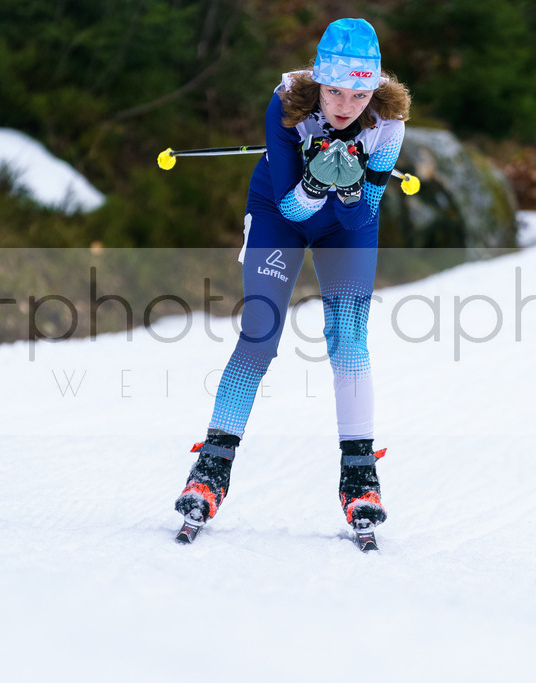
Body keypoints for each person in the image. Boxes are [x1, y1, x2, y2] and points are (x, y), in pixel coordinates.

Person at [174, 17, 411, 543]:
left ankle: (360, 478)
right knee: (260, 331)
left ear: (374, 89)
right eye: (334, 91)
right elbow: (290, 207)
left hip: (346, 227)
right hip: (280, 212)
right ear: (318, 82)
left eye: (359, 94)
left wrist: (348, 190)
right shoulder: (287, 106)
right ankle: (210, 469)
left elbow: (361, 216)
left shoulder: (388, 126)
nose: (345, 106)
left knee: (348, 336)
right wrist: (314, 183)